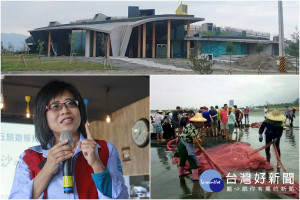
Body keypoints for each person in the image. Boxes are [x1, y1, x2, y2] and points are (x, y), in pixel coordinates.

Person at [9, 80, 128, 199]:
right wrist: (48, 169)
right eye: (55, 106)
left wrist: (97, 164)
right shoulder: (29, 157)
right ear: (43, 115)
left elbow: (122, 197)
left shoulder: (106, 149)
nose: (65, 111)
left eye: (70, 103)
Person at [177, 113, 206, 181]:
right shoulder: (193, 129)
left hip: (180, 144)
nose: (202, 124)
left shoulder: (189, 125)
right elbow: (195, 141)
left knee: (183, 159)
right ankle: (195, 177)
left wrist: (199, 139)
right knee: (192, 160)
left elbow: (191, 136)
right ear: (196, 122)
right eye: (200, 123)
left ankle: (181, 173)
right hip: (185, 146)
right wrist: (200, 148)